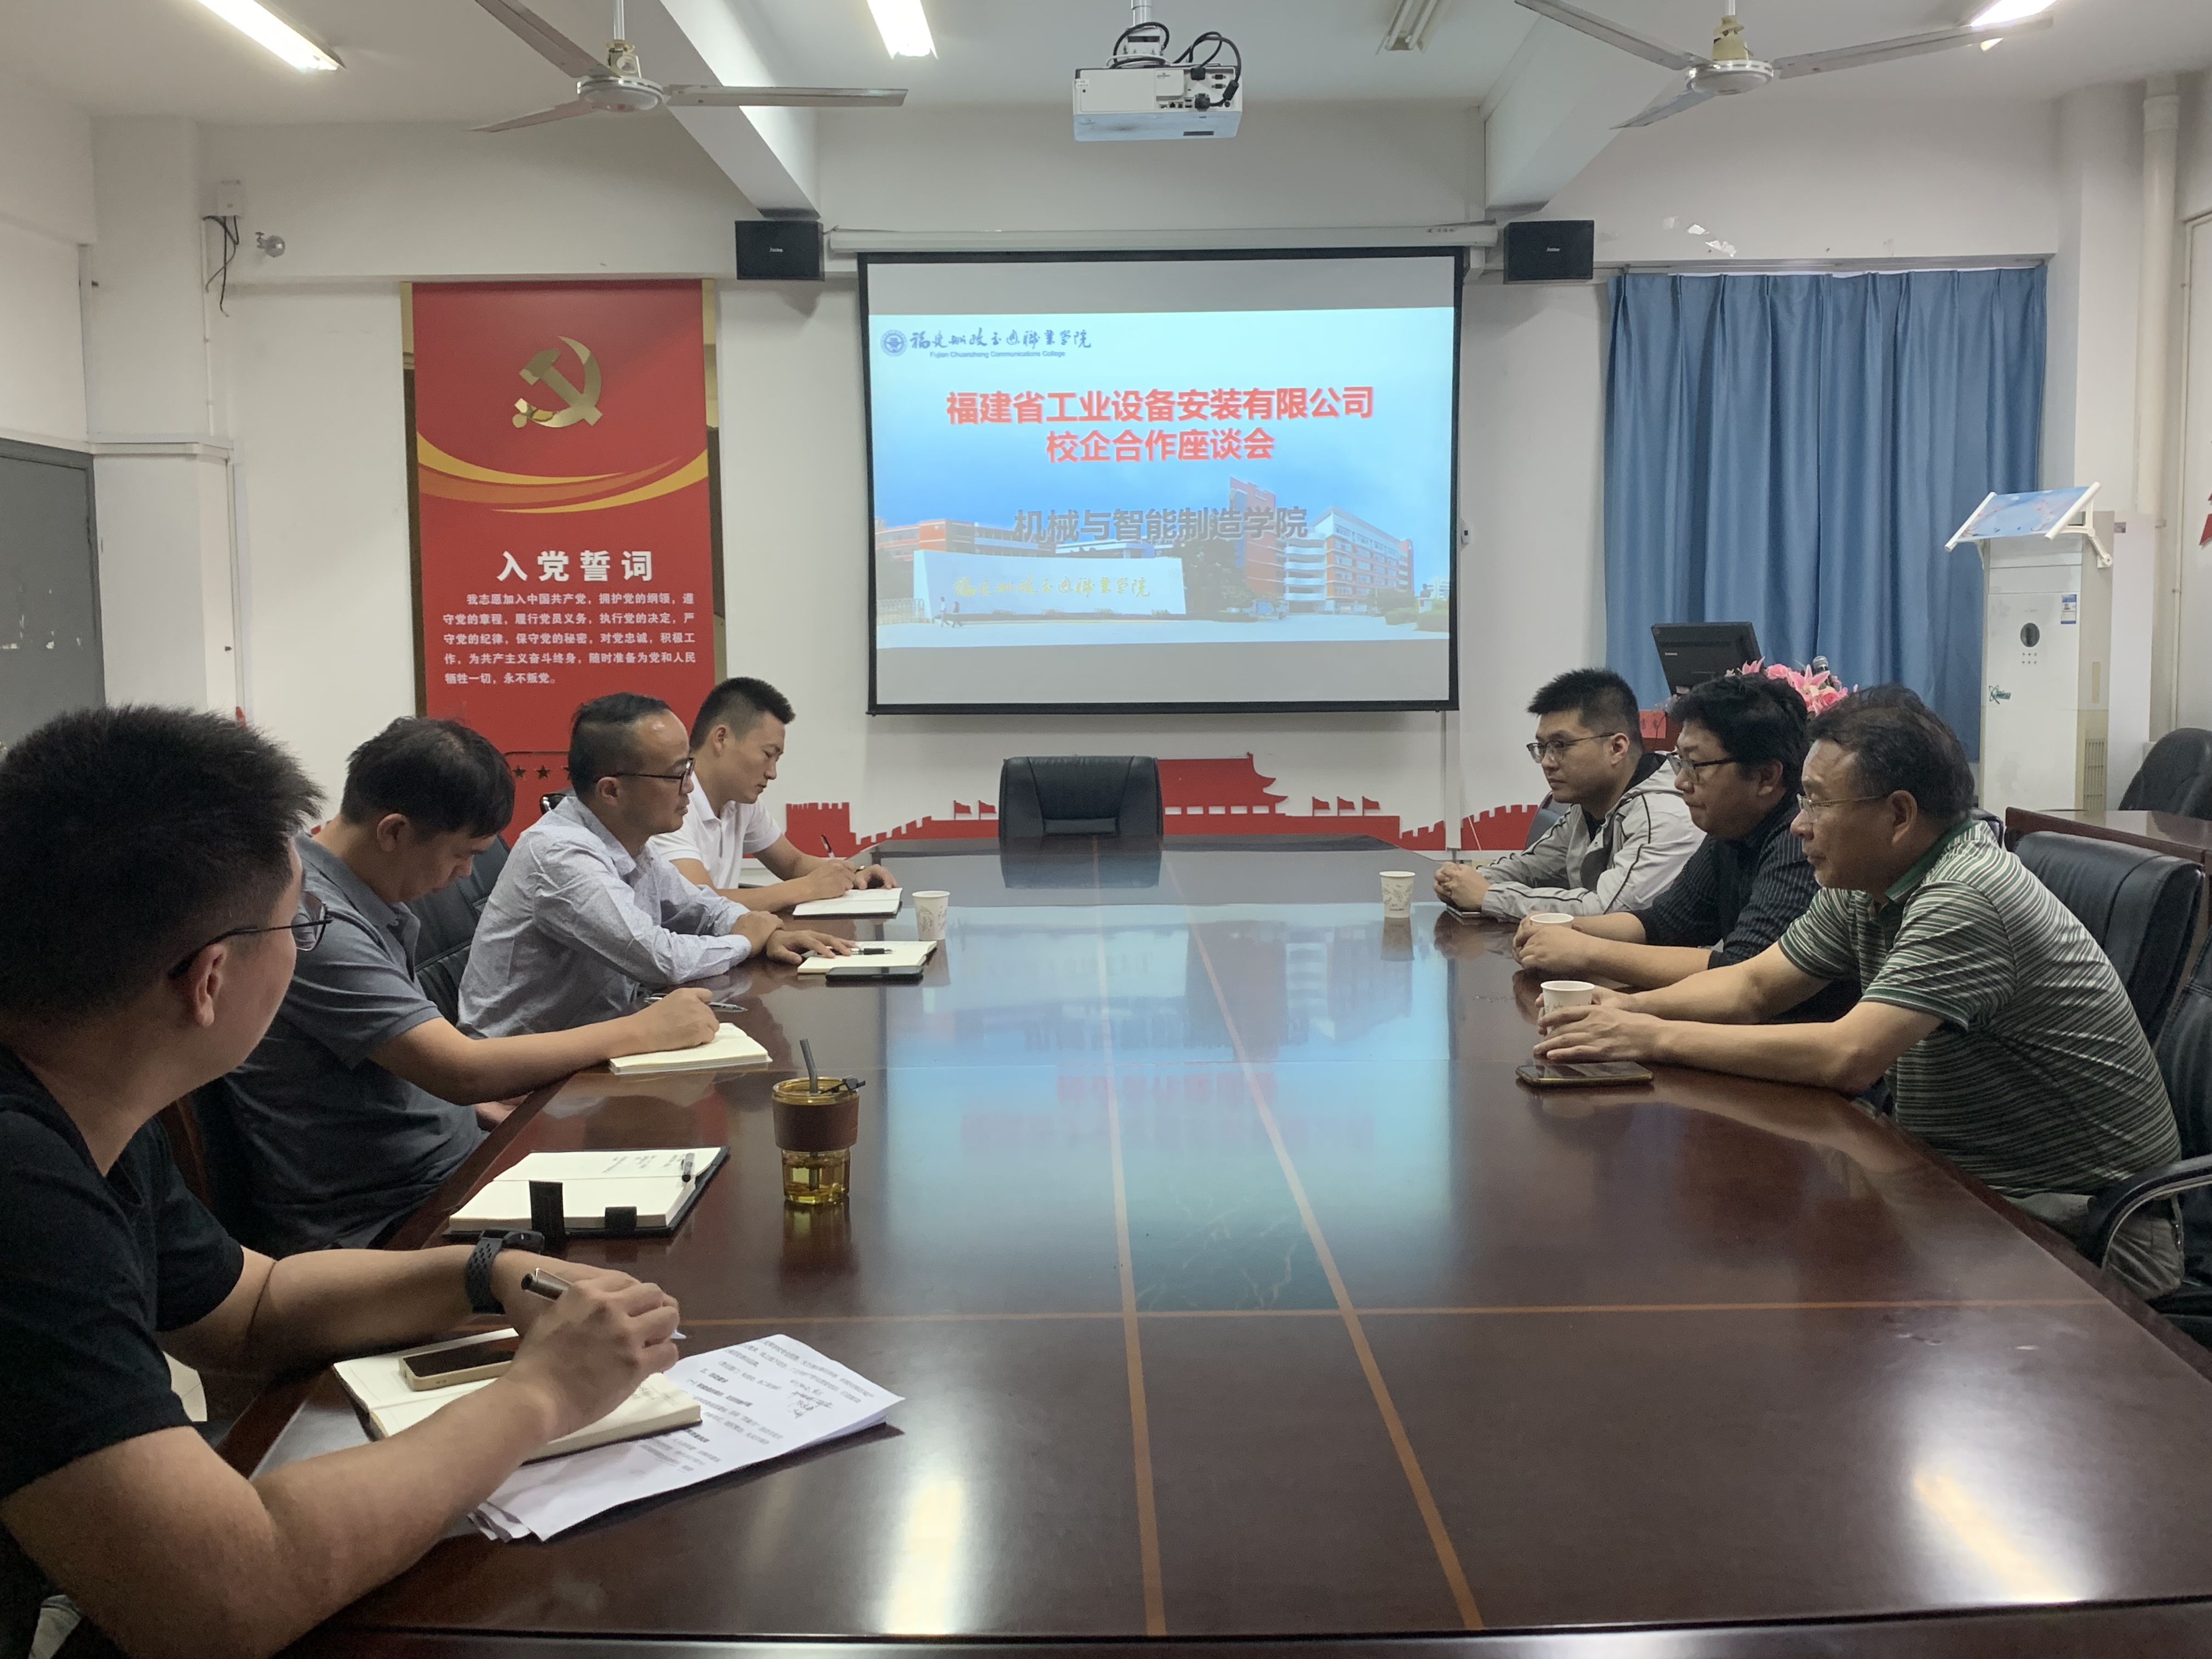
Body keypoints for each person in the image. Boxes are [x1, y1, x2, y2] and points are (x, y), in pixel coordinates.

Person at [0, 706, 680, 1659]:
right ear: (209, 979)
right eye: (300, 921)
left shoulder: (80, 1099)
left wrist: (489, 1274)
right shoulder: (23, 1190)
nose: (309, 937)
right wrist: (542, 1394)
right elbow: (227, 1595)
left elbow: (251, 1306)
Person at [1534, 690, 2186, 1295]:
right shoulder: (1867, 880)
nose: (1799, 825)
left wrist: (1649, 1037)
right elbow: (1755, 985)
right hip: (1955, 1185)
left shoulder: (1966, 896)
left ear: (1898, 815)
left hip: (2075, 1225)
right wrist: (1625, 1008)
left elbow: (1849, 1056)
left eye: (1818, 803)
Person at [225, 718, 721, 1256]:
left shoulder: (360, 897)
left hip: (452, 1166)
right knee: (649, 1256)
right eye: (462, 854)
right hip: (389, 1218)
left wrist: (477, 1110)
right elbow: (459, 1070)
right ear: (394, 832)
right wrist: (644, 1030)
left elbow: (399, 1067)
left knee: (676, 1189)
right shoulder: (314, 922)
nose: (465, 876)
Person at [461, 693, 851, 1038]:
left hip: (595, 1042)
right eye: (675, 774)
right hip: (523, 1071)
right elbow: (658, 958)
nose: (690, 786)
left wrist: (766, 935)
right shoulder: (560, 855)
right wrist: (747, 941)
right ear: (612, 790)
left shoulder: (632, 844)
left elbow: (700, 907)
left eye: (688, 769)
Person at [1513, 672, 1858, 1020]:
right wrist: (1564, 927)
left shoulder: (1799, 841)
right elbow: (1662, 924)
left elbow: (1738, 972)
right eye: (1679, 761)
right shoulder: (1731, 828)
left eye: (1695, 765)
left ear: (1766, 777)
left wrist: (1588, 952)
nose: (1680, 781)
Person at [1435, 667, 1699, 920]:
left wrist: (1489, 896)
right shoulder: (1588, 806)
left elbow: (1608, 912)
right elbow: (1530, 868)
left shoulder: (1664, 815)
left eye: (1560, 745)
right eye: (1542, 747)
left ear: (1617, 748)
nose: (1547, 762)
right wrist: (1461, 881)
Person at [652, 676, 899, 910]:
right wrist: (807, 888)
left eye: (777, 759)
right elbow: (699, 904)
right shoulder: (669, 803)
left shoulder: (741, 802)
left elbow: (793, 863)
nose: (772, 773)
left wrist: (855, 874)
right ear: (721, 738)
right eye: (768, 755)